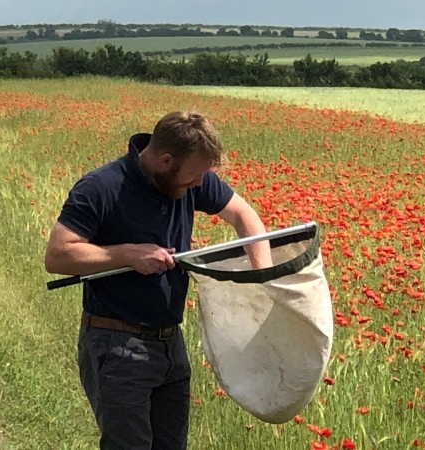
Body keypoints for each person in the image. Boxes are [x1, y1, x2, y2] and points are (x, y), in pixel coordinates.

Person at [43, 110, 272, 450]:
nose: (199, 185)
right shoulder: (102, 187)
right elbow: (57, 255)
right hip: (117, 344)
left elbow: (244, 216)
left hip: (170, 346)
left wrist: (263, 281)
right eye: (194, 177)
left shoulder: (191, 175)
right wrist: (127, 255)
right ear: (166, 160)